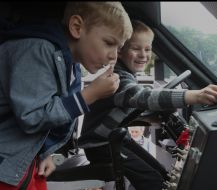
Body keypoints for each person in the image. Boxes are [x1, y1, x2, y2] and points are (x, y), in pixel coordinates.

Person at [0, 2, 132, 189]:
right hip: (6, 164)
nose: (113, 57)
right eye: (109, 43)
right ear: (77, 28)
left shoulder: (72, 65)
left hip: (26, 160)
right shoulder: (36, 50)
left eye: (118, 49)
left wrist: (48, 154)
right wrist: (90, 95)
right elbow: (32, 117)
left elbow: (54, 121)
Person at [78, 20, 217, 190]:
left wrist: (153, 116)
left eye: (147, 49)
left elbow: (126, 107)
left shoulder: (126, 75)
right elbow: (141, 97)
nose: (143, 55)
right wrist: (195, 95)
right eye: (136, 48)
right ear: (120, 51)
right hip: (99, 145)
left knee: (161, 173)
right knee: (151, 181)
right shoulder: (118, 78)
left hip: (114, 137)